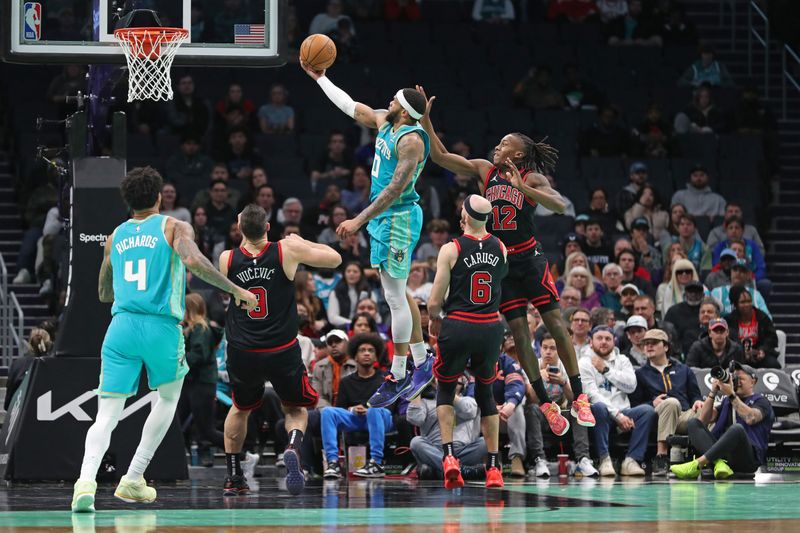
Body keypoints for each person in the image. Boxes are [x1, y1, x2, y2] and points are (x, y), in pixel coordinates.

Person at [71, 167, 258, 513]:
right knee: (168, 399)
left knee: (106, 414)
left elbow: (102, 293)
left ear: (128, 202)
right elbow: (193, 261)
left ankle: (85, 482)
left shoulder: (114, 236)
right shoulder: (173, 226)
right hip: (161, 326)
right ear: (159, 197)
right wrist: (235, 290)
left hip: (121, 326)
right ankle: (133, 477)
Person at [417, 87, 595, 438]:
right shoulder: (485, 171)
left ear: (519, 152)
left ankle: (580, 396)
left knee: (557, 325)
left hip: (529, 258)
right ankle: (545, 402)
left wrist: (523, 188)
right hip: (502, 263)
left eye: (503, 144)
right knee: (519, 332)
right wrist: (425, 119)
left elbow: (559, 205)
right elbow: (439, 156)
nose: (496, 147)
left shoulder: (532, 178)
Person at [301, 65, 434, 407]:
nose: (387, 101)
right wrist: (321, 78)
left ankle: (401, 370)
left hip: (398, 218)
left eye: (394, 100)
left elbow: (394, 188)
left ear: (404, 109)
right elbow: (349, 105)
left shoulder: (411, 141)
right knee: (398, 293)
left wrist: (357, 220)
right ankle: (421, 361)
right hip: (384, 218)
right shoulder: (386, 121)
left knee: (393, 297)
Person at [219, 204, 342, 496]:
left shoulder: (227, 259)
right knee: (295, 408)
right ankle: (292, 445)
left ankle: (234, 478)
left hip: (243, 349)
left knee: (240, 408)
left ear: (239, 229)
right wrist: (302, 242)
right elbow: (335, 259)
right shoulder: (286, 250)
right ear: (268, 227)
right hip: (281, 347)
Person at [426, 194, 509, 489]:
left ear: (464, 217)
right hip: (490, 326)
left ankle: (449, 457)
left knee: (446, 390)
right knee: (487, 394)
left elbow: (435, 301)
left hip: (459, 324)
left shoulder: (452, 248)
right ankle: (495, 467)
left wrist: (435, 318)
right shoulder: (501, 247)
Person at [671, 362, 774, 480]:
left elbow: (751, 418)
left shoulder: (761, 401)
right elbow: (704, 420)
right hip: (724, 456)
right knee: (693, 423)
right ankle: (719, 463)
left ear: (753, 381)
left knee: (737, 429)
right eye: (734, 378)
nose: (737, 382)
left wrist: (731, 394)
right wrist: (712, 393)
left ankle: (698, 464)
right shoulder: (726, 402)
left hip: (747, 460)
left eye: (740, 379)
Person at [580, 326, 657, 477]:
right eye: (599, 338)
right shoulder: (584, 362)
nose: (603, 342)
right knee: (599, 406)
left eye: (608, 339)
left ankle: (631, 460)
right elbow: (591, 394)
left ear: (614, 342)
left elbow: (631, 386)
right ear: (591, 342)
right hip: (601, 414)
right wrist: (618, 415)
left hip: (624, 412)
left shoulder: (622, 360)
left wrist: (606, 370)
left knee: (647, 412)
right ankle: (604, 459)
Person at [630, 329, 703, 476]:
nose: (649, 346)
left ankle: (711, 459)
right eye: (646, 344)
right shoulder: (640, 374)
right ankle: (661, 457)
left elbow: (695, 395)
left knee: (712, 408)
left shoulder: (684, 370)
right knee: (671, 403)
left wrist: (698, 402)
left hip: (683, 416)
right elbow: (634, 405)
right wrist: (652, 403)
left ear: (666, 347)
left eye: (654, 343)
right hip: (657, 418)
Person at [321, 334, 394, 479]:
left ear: (376, 357)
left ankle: (376, 463)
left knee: (375, 410)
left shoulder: (385, 380)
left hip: (381, 418)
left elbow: (390, 408)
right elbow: (340, 408)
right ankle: (333, 463)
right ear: (355, 356)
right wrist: (352, 409)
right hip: (356, 419)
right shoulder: (347, 381)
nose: (366, 353)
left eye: (371, 350)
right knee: (327, 412)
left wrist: (369, 410)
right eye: (362, 350)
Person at [527, 333, 598, 478]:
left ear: (559, 350)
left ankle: (583, 459)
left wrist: (563, 382)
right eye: (545, 348)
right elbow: (532, 400)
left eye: (553, 348)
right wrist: (538, 380)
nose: (548, 351)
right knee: (532, 409)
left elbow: (574, 397)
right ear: (540, 349)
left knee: (579, 408)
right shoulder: (533, 367)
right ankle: (539, 460)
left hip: (562, 414)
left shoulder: (566, 366)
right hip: (542, 416)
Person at [408, 380, 486, 480]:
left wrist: (445, 391)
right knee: (416, 442)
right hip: (435, 450)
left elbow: (470, 412)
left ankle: (440, 471)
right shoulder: (426, 402)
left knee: (486, 442)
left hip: (463, 451)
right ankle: (460, 470)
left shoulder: (468, 400)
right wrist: (417, 387)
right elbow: (415, 419)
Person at [180, 293, 225, 460]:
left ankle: (243, 455)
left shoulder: (201, 329)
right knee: (177, 423)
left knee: (207, 429)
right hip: (192, 382)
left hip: (202, 384)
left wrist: (177, 363)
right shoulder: (192, 329)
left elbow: (199, 355)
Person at [724, 285, 780, 369]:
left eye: (749, 301)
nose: (747, 305)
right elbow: (727, 341)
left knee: (774, 365)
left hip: (759, 354)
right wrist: (742, 353)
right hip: (738, 355)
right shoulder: (729, 320)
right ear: (735, 304)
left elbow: (772, 337)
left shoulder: (762, 317)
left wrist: (762, 350)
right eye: (742, 302)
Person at [663, 280, 707, 355]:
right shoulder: (673, 311)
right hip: (679, 352)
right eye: (690, 291)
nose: (693, 294)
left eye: (697, 291)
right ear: (685, 294)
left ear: (703, 294)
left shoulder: (708, 311)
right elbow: (666, 335)